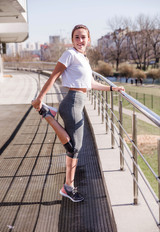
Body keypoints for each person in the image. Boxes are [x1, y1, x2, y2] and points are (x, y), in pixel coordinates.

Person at [32, 24, 125, 203]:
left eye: (83, 37)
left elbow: (91, 84)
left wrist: (113, 88)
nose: (80, 40)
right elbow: (53, 77)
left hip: (78, 102)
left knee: (74, 148)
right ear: (72, 39)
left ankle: (68, 186)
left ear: (88, 40)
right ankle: (46, 113)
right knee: (73, 148)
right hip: (72, 102)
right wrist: (39, 98)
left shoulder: (84, 59)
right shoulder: (69, 54)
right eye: (77, 37)